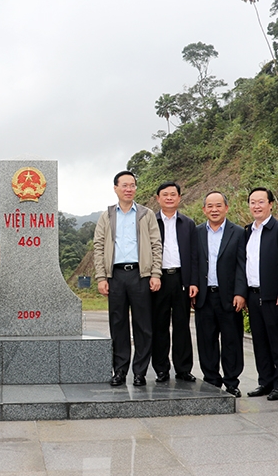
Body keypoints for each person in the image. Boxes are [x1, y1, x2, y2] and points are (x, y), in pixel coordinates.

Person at [93, 170, 162, 387]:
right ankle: (120, 371)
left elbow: (156, 245)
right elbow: (98, 246)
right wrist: (101, 277)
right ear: (115, 188)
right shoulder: (107, 215)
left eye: (132, 185)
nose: (129, 189)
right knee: (118, 324)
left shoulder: (145, 214)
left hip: (140, 275)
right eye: (124, 185)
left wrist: (155, 273)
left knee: (143, 325)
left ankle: (140, 372)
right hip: (115, 276)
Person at [244, 187, 278, 401]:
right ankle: (265, 381)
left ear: (271, 204)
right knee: (259, 341)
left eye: (261, 202)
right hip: (253, 295)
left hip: (274, 296)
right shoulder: (247, 231)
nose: (256, 206)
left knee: (277, 341)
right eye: (253, 202)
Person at [194, 191, 247, 396]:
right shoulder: (197, 232)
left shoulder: (238, 232)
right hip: (204, 296)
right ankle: (211, 381)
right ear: (204, 209)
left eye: (218, 206)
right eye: (210, 206)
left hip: (230, 296)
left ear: (226, 207)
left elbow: (243, 265)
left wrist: (240, 293)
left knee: (232, 340)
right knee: (206, 340)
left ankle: (232, 382)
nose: (214, 210)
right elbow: (194, 262)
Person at [150, 182, 198, 383]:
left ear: (179, 198)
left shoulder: (188, 223)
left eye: (173, 194)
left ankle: (183, 369)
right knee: (158, 325)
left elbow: (195, 255)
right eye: (165, 195)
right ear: (157, 198)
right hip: (158, 279)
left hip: (181, 279)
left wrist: (193, 281)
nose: (169, 198)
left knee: (182, 325)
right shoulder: (150, 221)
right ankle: (161, 369)